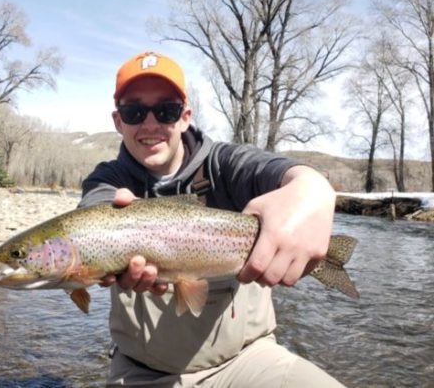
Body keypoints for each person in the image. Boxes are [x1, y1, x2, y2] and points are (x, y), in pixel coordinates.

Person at [78, 51, 345, 387]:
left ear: (186, 116)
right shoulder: (107, 180)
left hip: (249, 362)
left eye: (166, 110)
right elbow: (87, 222)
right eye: (134, 111)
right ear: (118, 122)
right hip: (142, 373)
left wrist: (312, 187)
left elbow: (276, 170)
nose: (150, 123)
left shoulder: (224, 164)